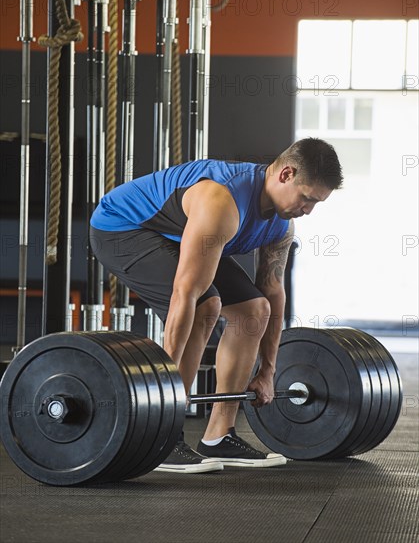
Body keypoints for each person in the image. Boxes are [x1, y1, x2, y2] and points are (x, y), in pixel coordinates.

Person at [90, 137, 343, 473]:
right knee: (206, 305)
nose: (308, 211)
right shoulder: (222, 201)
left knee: (254, 311)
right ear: (285, 174)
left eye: (316, 204)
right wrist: (163, 393)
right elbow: (185, 294)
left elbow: (273, 292)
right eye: (306, 198)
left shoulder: (282, 224)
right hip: (123, 228)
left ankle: (218, 435)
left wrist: (268, 371)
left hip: (180, 235)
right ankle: (163, 437)